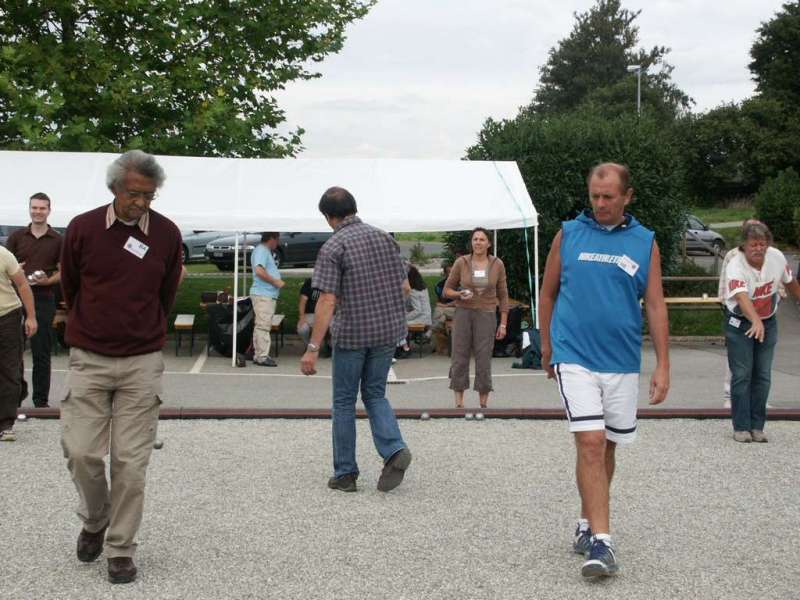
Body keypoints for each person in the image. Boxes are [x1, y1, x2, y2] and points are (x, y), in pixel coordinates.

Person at [539, 163, 670, 579]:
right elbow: (548, 291)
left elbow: (655, 304)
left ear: (627, 196)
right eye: (594, 195)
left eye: (608, 196)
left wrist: (663, 364)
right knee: (591, 442)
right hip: (574, 355)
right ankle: (603, 543)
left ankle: (585, 524)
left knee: (606, 447)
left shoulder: (644, 241)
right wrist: (546, 346)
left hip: (622, 361)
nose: (599, 204)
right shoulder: (568, 234)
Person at [60, 150, 183, 584]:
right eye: (135, 194)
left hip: (142, 362)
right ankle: (96, 519)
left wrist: (143, 328)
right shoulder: (82, 228)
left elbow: (167, 292)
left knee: (131, 463)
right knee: (81, 452)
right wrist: (92, 323)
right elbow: (71, 285)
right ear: (115, 188)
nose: (142, 203)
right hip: (90, 357)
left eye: (149, 196)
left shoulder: (167, 234)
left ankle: (120, 547)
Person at [300, 186, 412, 493]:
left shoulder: (333, 247)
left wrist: (312, 348)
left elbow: (326, 301)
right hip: (387, 331)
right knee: (376, 394)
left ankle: (346, 473)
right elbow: (404, 288)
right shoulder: (384, 238)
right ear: (354, 208)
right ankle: (394, 449)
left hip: (352, 334)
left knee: (344, 402)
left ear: (328, 217)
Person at [723, 222, 800, 443]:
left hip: (768, 320)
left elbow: (790, 282)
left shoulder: (776, 257)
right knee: (742, 374)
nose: (758, 249)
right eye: (753, 244)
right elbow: (741, 297)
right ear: (743, 247)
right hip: (740, 323)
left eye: (762, 244)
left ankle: (758, 426)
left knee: (763, 375)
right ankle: (741, 426)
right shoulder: (735, 265)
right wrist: (755, 320)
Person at [6, 192, 63, 408]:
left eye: (42, 208)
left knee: (41, 351)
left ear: (49, 210)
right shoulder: (16, 237)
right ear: (29, 209)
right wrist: (16, 272)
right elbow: (4, 268)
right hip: (15, 299)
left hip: (44, 299)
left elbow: (63, 272)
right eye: (34, 208)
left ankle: (41, 401)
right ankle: (14, 399)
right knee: (13, 351)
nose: (38, 212)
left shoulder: (58, 240)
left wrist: (47, 281)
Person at [442, 227, 509, 409]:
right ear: (471, 242)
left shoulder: (497, 264)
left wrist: (503, 323)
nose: (478, 242)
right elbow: (446, 290)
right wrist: (458, 294)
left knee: (484, 356)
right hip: (463, 313)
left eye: (481, 239)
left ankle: (483, 403)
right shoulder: (461, 262)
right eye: (475, 239)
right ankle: (459, 403)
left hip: (487, 314)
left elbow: (503, 296)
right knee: (459, 355)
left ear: (488, 243)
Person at [717, 218, 764, 409]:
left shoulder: (767, 256)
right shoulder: (732, 255)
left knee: (760, 360)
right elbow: (724, 283)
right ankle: (730, 396)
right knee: (736, 358)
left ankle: (759, 399)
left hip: (763, 314)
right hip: (737, 314)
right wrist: (725, 302)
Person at [0, 246, 37, 442]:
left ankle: (6, 424)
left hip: (7, 315)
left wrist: (31, 317)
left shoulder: (4, 255)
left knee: (8, 369)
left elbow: (22, 285)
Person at [250, 232, 284, 367]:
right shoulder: (262, 250)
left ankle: (258, 354)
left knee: (261, 324)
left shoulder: (263, 251)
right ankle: (262, 356)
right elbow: (259, 270)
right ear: (271, 239)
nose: (278, 243)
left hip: (265, 294)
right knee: (263, 325)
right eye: (277, 240)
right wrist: (275, 282)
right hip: (263, 294)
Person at [396, 264, 432, 358]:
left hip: (422, 319)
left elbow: (418, 310)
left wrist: (404, 316)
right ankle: (404, 347)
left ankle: (405, 349)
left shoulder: (414, 291)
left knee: (401, 324)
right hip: (426, 316)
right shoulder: (423, 288)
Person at [297, 277, 320, 346]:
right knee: (302, 329)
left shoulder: (333, 282)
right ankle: (309, 346)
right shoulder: (310, 282)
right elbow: (302, 301)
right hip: (310, 314)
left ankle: (329, 346)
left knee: (333, 328)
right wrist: (301, 317)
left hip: (327, 314)